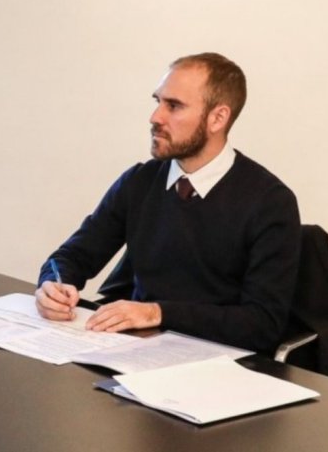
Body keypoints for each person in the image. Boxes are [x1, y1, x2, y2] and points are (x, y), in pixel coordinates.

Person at [35, 52, 300, 355]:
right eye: (157, 101)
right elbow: (72, 256)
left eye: (173, 106)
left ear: (217, 118)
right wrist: (53, 286)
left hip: (219, 362)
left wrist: (157, 312)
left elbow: (262, 325)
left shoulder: (270, 202)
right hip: (135, 352)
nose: (155, 117)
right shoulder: (140, 181)